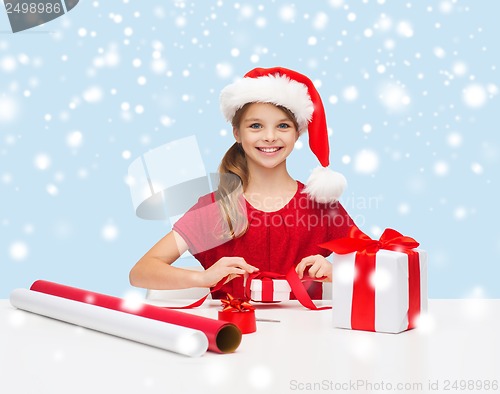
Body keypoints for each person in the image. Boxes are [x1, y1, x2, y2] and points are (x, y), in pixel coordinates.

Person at [129, 67, 357, 300]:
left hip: (307, 335)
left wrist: (338, 272)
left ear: (298, 133)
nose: (269, 136)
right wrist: (203, 278)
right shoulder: (216, 208)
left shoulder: (319, 205)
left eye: (283, 125)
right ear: (237, 133)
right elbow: (141, 272)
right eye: (256, 126)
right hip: (234, 334)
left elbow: (380, 266)